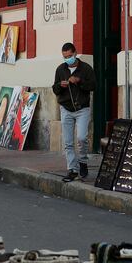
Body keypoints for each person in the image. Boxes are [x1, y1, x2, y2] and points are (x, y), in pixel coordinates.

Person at [52, 43, 95, 182]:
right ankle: (72, 169)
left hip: (82, 108)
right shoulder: (60, 69)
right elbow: (55, 89)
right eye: (65, 57)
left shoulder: (86, 68)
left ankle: (83, 161)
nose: (68, 59)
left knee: (82, 137)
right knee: (68, 142)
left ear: (75, 53)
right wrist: (60, 85)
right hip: (66, 108)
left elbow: (93, 86)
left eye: (70, 56)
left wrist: (79, 81)